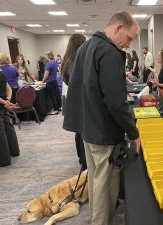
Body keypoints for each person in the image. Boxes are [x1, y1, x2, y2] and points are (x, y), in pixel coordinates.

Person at [63, 11, 140, 225]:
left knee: (96, 183)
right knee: (104, 187)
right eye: (129, 38)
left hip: (88, 130)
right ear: (118, 28)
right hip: (104, 132)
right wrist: (134, 133)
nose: (128, 45)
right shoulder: (109, 52)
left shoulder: (85, 48)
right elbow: (116, 103)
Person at [60, 33, 87, 170]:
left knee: (78, 130)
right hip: (83, 98)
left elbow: (66, 80)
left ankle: (80, 157)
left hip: (72, 97)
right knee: (84, 131)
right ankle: (84, 160)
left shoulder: (66, 60)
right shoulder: (82, 59)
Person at [0, 66, 20, 168]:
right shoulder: (0, 74)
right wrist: (8, 100)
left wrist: (5, 102)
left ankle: (3, 159)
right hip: (3, 107)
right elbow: (8, 88)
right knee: (9, 128)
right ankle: (14, 151)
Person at [42, 51, 61, 115]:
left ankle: (55, 110)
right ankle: (59, 107)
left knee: (52, 96)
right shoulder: (55, 63)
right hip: (54, 81)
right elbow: (59, 70)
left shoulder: (49, 63)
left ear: (48, 55)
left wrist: (43, 81)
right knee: (57, 95)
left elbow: (46, 73)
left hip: (50, 82)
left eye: (46, 54)